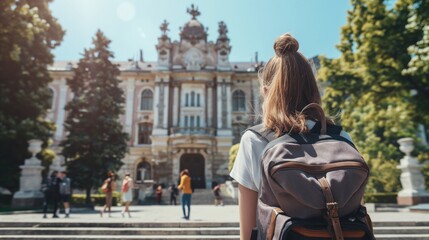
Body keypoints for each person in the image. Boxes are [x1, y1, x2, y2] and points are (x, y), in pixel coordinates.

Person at [229, 33, 353, 240]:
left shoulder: (254, 140)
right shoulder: (342, 138)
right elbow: (356, 215)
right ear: (313, 89)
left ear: (267, 92)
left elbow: (249, 232)